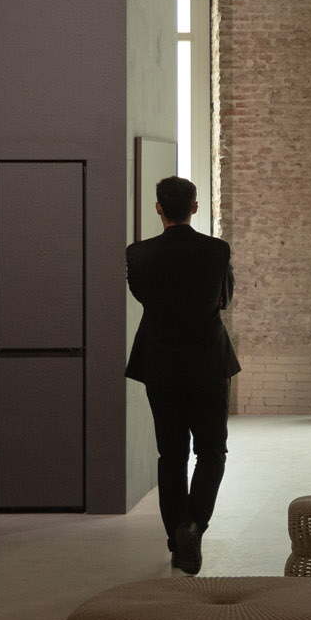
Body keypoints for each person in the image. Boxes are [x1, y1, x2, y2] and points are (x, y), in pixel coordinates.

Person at [124, 175, 237, 575]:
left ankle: (176, 537)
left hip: (160, 362)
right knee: (211, 450)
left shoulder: (137, 255)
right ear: (194, 207)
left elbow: (143, 297)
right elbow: (224, 298)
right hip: (208, 361)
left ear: (158, 208)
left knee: (170, 453)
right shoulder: (216, 251)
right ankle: (194, 524)